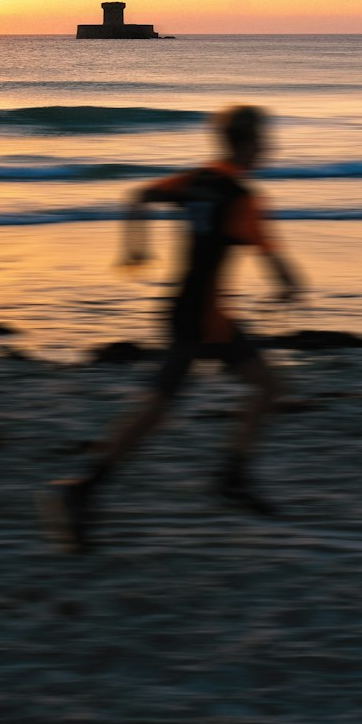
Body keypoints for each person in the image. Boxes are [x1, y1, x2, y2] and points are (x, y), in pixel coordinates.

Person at [42, 104, 303, 551]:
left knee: (255, 388)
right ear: (245, 144)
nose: (270, 147)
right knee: (168, 408)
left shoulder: (198, 181)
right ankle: (84, 490)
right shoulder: (243, 199)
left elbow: (138, 196)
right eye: (264, 139)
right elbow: (275, 264)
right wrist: (290, 285)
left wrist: (136, 250)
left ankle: (228, 476)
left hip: (188, 311)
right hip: (204, 322)